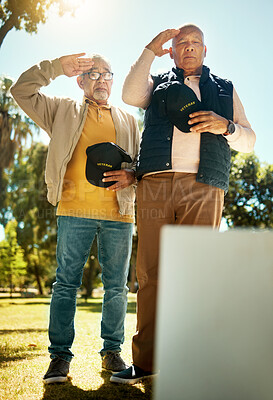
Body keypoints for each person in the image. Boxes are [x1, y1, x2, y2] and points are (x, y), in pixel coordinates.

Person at [110, 24, 256, 384]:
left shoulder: (225, 88)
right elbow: (129, 95)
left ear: (205, 51)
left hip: (205, 185)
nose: (188, 48)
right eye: (181, 44)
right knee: (151, 275)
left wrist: (226, 126)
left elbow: (250, 140)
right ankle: (146, 362)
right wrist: (149, 48)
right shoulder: (157, 84)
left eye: (195, 44)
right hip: (155, 183)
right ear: (172, 51)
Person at [11, 52, 140, 384]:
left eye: (106, 74)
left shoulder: (128, 119)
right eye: (93, 74)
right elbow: (21, 91)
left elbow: (140, 163)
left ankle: (112, 352)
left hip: (119, 214)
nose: (101, 80)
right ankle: (59, 358)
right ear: (80, 80)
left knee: (116, 288)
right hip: (73, 210)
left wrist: (133, 175)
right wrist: (54, 67)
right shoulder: (61, 110)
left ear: (113, 79)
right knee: (65, 285)